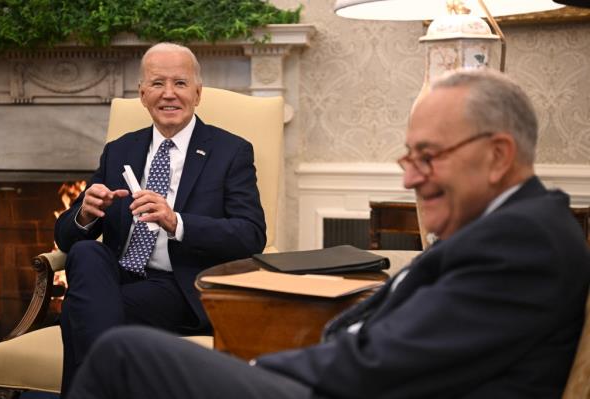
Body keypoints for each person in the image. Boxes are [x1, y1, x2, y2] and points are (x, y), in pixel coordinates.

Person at [68, 69, 590, 399]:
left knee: (126, 355)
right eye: (408, 158)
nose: (409, 178)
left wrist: (253, 366)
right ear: (141, 93)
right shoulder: (507, 227)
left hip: (322, 381)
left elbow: (384, 364)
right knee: (93, 275)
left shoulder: (524, 242)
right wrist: (87, 216)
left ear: (498, 155)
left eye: (426, 157)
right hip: (324, 369)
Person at [55, 42, 266, 396]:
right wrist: (85, 216)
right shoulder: (120, 149)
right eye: (157, 84)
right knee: (85, 254)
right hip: (117, 274)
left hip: (177, 285)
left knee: (80, 311)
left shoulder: (231, 151)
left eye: (180, 84)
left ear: (198, 93)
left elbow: (251, 234)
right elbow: (65, 238)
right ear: (142, 94)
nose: (169, 94)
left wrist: (176, 222)